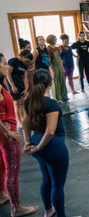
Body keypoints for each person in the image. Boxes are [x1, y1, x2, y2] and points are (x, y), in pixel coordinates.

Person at [23, 69, 68, 217]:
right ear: (50, 83)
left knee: (47, 179)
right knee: (58, 185)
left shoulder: (29, 101)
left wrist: (28, 142)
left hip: (39, 143)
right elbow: (50, 132)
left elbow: (25, 124)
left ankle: (49, 211)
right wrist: (37, 147)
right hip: (51, 146)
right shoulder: (51, 104)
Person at [0, 55, 38, 217]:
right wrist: (7, 131)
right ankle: (16, 207)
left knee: (2, 165)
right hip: (7, 131)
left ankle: (2, 194)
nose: (6, 66)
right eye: (3, 64)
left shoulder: (1, 84)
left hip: (5, 129)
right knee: (12, 168)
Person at [6, 50, 33, 126]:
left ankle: (24, 120)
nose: (27, 63)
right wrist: (12, 86)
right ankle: (20, 122)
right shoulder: (13, 61)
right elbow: (8, 74)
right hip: (13, 84)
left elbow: (25, 77)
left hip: (21, 85)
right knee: (17, 104)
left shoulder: (24, 64)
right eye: (27, 61)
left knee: (22, 103)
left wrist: (26, 89)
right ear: (23, 57)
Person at [44, 36, 67, 102]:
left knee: (61, 81)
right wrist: (51, 71)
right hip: (54, 67)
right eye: (55, 39)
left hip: (59, 66)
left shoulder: (56, 48)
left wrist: (62, 68)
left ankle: (63, 96)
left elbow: (59, 59)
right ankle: (57, 98)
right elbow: (49, 61)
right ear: (52, 40)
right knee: (55, 82)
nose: (56, 40)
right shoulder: (48, 49)